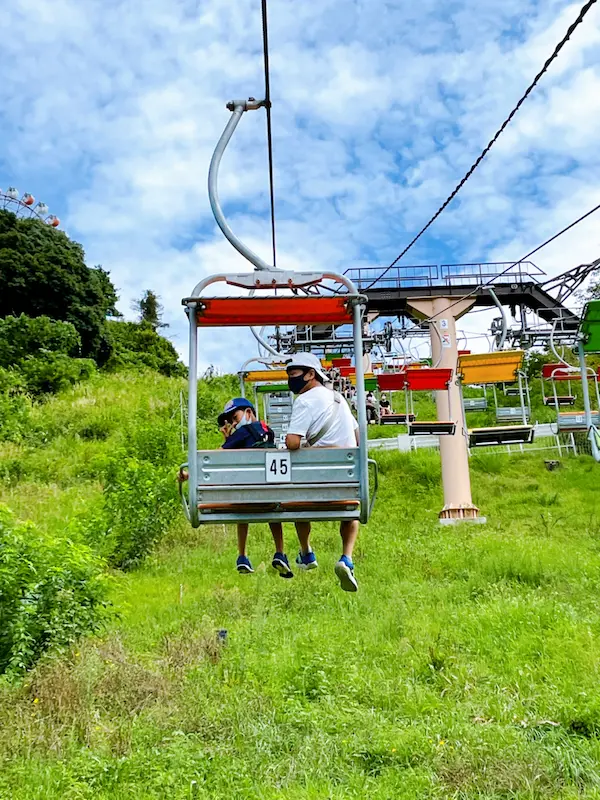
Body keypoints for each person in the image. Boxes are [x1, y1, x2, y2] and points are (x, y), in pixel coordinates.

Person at [284, 353, 360, 592]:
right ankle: (346, 557)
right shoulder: (339, 399)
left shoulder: (304, 401)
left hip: (313, 489)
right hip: (345, 486)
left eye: (294, 374)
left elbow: (292, 442)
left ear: (310, 374)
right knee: (351, 510)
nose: (291, 379)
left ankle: (306, 552)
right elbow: (357, 436)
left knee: (295, 499)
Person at [218, 397, 293, 578]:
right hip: (270, 497)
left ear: (248, 412)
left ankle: (242, 555)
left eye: (234, 418)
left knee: (241, 502)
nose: (233, 424)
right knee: (273, 505)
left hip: (246, 499)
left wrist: (228, 440)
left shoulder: (241, 433)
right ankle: (280, 552)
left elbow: (219, 457)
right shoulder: (269, 430)